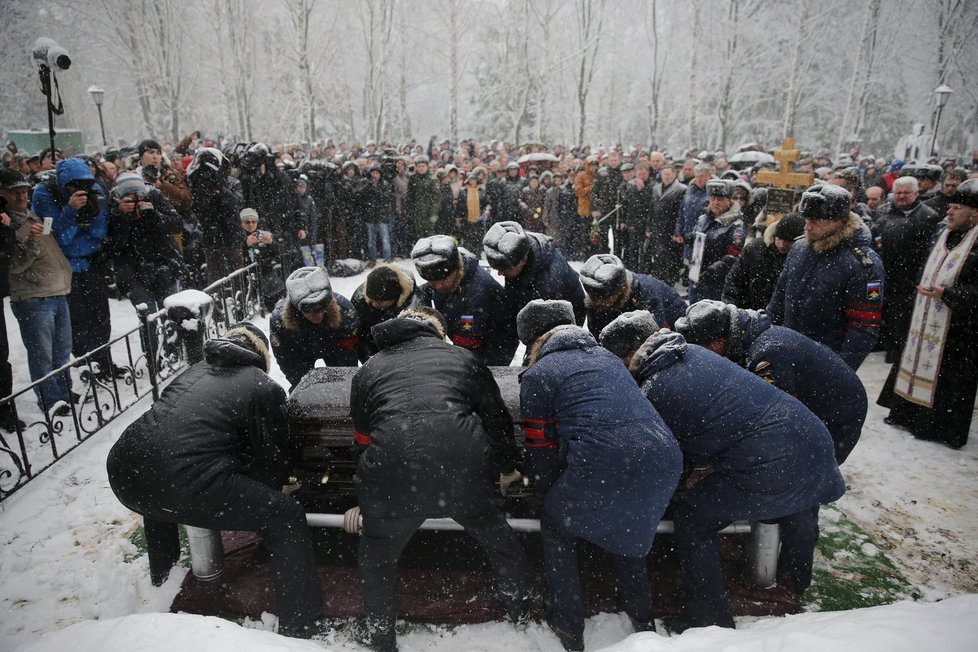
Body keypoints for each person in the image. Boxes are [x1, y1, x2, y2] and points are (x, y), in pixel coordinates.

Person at [105, 324, 329, 638]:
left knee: (158, 476)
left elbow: (172, 436)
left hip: (126, 470)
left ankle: (164, 574)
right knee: (285, 515)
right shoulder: (262, 385)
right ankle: (303, 624)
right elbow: (271, 464)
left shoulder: (192, 371)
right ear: (261, 357)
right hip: (181, 481)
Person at [624, 325, 845, 629]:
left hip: (774, 464)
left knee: (692, 519)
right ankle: (796, 578)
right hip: (814, 441)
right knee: (798, 499)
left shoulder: (656, 389)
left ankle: (710, 618)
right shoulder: (693, 353)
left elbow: (676, 456)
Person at [349, 307, 531, 652]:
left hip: (392, 475)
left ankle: (381, 636)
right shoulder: (462, 358)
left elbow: (363, 438)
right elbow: (496, 420)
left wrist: (367, 491)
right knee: (501, 544)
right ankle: (519, 609)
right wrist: (508, 468)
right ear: (438, 333)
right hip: (461, 471)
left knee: (377, 560)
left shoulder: (369, 370)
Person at [516, 299, 682, 651]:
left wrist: (545, 492)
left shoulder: (538, 375)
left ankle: (568, 624)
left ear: (533, 342)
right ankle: (642, 618)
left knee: (557, 525)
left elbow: (540, 449)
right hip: (663, 455)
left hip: (604, 461)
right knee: (629, 528)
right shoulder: (607, 358)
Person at [676, 300, 867, 464]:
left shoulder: (766, 356)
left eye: (701, 349)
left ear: (718, 342)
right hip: (821, 405)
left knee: (794, 476)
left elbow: (776, 420)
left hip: (835, 417)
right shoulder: (747, 337)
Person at [879, 179, 978, 449]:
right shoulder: (941, 232)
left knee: (947, 379)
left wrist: (949, 295)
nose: (949, 212)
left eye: (957, 207)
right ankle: (908, 415)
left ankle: (938, 427)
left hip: (958, 330)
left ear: (975, 213)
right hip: (924, 314)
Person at [767, 184, 884, 371]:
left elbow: (863, 327)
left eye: (815, 221)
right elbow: (779, 298)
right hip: (787, 349)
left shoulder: (862, 264)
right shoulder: (799, 248)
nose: (807, 226)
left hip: (824, 360)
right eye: (806, 219)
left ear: (839, 221)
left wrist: (840, 371)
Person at [30, 157, 116, 380]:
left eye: (84, 184)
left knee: (100, 315)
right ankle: (85, 365)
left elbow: (98, 233)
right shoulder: (44, 193)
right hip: (63, 265)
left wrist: (88, 213)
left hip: (91, 262)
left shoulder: (95, 190)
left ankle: (103, 360)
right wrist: (70, 211)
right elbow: (57, 236)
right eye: (73, 185)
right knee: (77, 319)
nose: (80, 190)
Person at [1, 169, 74, 416]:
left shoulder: (30, 215)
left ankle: (63, 393)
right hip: (34, 297)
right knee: (42, 354)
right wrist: (30, 242)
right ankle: (50, 400)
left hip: (56, 291)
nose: (22, 196)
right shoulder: (7, 223)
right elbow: (14, 266)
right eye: (15, 192)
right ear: (4, 195)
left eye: (24, 191)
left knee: (62, 350)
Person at [412, 235, 517, 366]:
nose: (438, 286)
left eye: (443, 280)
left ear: (456, 269)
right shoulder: (447, 272)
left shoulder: (476, 294)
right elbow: (425, 290)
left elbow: (466, 344)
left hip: (492, 348)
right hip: (464, 330)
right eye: (433, 282)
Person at [871, 176, 940, 362]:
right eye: (898, 192)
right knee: (878, 309)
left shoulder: (928, 215)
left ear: (916, 194)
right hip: (883, 270)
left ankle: (896, 350)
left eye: (906, 193)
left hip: (907, 274)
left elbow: (928, 250)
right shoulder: (882, 211)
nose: (901, 196)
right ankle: (879, 341)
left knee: (899, 316)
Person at [482, 221, 586, 330]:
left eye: (504, 269)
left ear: (523, 260)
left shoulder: (550, 280)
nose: (500, 273)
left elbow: (545, 333)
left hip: (565, 323)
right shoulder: (517, 251)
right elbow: (512, 309)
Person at [269, 266, 359, 389]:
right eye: (311, 312)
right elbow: (288, 361)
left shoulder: (344, 311)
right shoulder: (280, 322)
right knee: (303, 388)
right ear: (297, 308)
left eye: (323, 309)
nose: (319, 315)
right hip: (299, 350)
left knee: (346, 384)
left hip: (335, 345)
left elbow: (349, 353)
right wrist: (303, 384)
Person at [578, 253, 686, 340]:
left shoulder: (646, 297)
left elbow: (654, 339)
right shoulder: (595, 302)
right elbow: (598, 335)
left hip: (677, 326)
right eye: (594, 298)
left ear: (622, 290)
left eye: (604, 298)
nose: (598, 302)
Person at [722, 213, 805, 310]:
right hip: (749, 312)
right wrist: (734, 310)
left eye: (788, 241)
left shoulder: (803, 259)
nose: (782, 245)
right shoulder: (755, 249)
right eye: (779, 238)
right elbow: (735, 282)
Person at [687, 180, 745, 303]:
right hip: (696, 276)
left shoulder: (735, 226)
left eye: (720, 199)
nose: (715, 203)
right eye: (713, 199)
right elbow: (697, 242)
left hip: (717, 283)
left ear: (729, 201)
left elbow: (732, 256)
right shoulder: (703, 219)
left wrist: (712, 271)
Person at [350, 263, 418, 361]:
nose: (374, 304)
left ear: (396, 298)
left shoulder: (414, 304)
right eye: (371, 299)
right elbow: (360, 338)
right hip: (373, 347)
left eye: (379, 301)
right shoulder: (361, 299)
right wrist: (370, 361)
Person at [240, 207, 286, 313]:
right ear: (242, 223)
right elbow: (237, 257)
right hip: (247, 273)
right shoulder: (238, 235)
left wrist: (271, 243)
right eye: (247, 222)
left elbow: (278, 253)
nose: (250, 224)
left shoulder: (262, 233)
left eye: (253, 222)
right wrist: (245, 245)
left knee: (275, 287)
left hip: (265, 271)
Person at [647, 164, 686, 285]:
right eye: (664, 174)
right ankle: (659, 281)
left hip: (671, 228)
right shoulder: (656, 188)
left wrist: (678, 231)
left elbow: (681, 212)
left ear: (674, 174)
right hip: (657, 228)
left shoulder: (681, 189)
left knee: (670, 258)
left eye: (669, 174)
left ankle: (669, 283)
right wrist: (649, 226)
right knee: (658, 256)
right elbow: (651, 209)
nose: (666, 177)